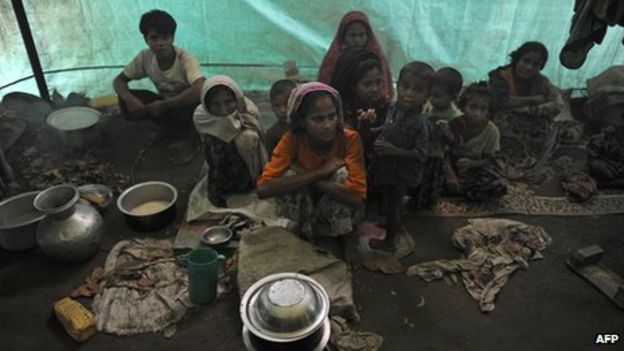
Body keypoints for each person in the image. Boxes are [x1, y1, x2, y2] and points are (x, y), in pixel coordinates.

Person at [257, 82, 366, 241]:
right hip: (305, 209)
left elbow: (356, 197)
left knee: (341, 174)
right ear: (302, 121)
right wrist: (319, 173)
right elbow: (263, 189)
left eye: (332, 116)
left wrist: (307, 175)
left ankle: (346, 239)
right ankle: (303, 233)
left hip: (337, 211)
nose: (328, 125)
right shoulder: (292, 140)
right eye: (318, 119)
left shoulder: (349, 139)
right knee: (288, 174)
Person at [112, 10, 205, 163]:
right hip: (167, 106)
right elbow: (118, 81)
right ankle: (170, 130)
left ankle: (192, 144)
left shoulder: (184, 58)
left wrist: (165, 104)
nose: (160, 43)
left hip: (187, 107)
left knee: (199, 103)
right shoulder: (145, 57)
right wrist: (130, 99)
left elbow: (199, 87)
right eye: (154, 38)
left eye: (165, 37)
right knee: (125, 97)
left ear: (172, 38)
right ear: (146, 40)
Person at [366, 62, 433, 252]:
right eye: (405, 86)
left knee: (395, 206)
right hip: (388, 166)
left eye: (418, 90)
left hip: (403, 172)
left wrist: (393, 150)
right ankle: (391, 225)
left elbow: (421, 154)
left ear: (427, 95)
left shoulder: (421, 124)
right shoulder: (394, 108)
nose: (409, 93)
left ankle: (389, 243)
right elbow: (389, 126)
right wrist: (373, 129)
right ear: (397, 85)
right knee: (388, 202)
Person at [488, 41, 561, 181]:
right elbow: (500, 101)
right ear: (517, 59)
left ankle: (526, 163)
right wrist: (532, 100)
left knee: (548, 126)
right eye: (525, 61)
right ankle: (504, 162)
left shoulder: (542, 81)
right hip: (503, 124)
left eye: (536, 64)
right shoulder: (500, 75)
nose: (528, 67)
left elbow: (557, 104)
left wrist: (533, 110)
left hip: (529, 127)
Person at [193, 76, 267, 207]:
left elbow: (257, 132)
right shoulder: (202, 116)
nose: (223, 110)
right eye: (216, 104)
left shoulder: (248, 110)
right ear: (207, 104)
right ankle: (219, 190)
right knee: (215, 146)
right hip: (220, 164)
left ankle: (249, 182)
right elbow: (227, 127)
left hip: (245, 164)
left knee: (248, 138)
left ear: (237, 99)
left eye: (228, 102)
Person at [411, 67, 463, 209]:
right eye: (431, 94)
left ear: (452, 97)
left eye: (437, 96)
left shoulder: (455, 118)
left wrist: (446, 132)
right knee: (417, 181)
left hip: (436, 158)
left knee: (430, 183)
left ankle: (425, 206)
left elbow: (456, 144)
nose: (432, 99)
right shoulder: (429, 110)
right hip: (422, 153)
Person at [447, 82, 508, 202]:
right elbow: (443, 152)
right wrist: (449, 173)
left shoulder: (492, 131)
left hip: (473, 170)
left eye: (483, 109)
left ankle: (457, 190)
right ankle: (456, 189)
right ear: (463, 106)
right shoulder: (454, 123)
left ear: (489, 111)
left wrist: (472, 163)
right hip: (449, 167)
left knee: (499, 185)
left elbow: (489, 159)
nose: (476, 113)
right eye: (472, 107)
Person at [318, 10, 393, 100]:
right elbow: (325, 91)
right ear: (343, 37)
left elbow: (385, 91)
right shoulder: (334, 60)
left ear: (367, 36)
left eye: (361, 35)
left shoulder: (375, 59)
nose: (357, 40)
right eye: (352, 35)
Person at [329, 49, 390, 153]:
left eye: (379, 82)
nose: (375, 89)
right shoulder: (338, 110)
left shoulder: (384, 105)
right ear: (352, 86)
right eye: (368, 84)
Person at [265, 79, 297, 158]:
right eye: (276, 106)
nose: (282, 110)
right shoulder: (272, 134)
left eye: (286, 104)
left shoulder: (307, 125)